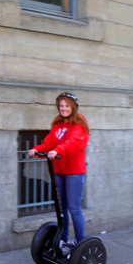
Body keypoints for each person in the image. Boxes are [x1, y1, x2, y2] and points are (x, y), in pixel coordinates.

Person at [28, 92, 90, 254]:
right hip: (59, 171)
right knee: (61, 208)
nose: (64, 109)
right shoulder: (57, 126)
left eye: (67, 105)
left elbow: (73, 143)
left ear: (73, 107)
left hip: (74, 173)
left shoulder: (79, 126)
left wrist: (58, 150)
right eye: (61, 106)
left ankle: (80, 243)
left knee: (74, 208)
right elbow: (48, 142)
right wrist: (37, 149)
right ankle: (62, 241)